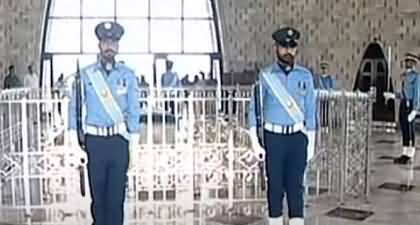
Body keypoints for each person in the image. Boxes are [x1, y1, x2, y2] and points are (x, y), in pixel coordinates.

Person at [68, 21, 141, 225]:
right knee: (98, 201)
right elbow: (74, 110)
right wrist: (75, 145)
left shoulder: (128, 75)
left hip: (119, 142)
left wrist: (134, 147)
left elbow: (134, 112)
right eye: (105, 41)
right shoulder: (85, 75)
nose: (109, 45)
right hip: (95, 143)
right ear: (99, 45)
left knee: (116, 200)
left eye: (113, 42)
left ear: (118, 46)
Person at [248, 27, 316, 225]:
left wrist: (311, 142)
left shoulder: (305, 76)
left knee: (296, 188)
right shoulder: (266, 75)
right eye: (283, 46)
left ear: (296, 49)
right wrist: (255, 141)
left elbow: (311, 112)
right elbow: (254, 109)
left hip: (297, 138)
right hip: (273, 138)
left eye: (291, 46)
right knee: (275, 188)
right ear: (276, 48)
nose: (288, 50)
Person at [384, 52, 420, 164]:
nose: (407, 63)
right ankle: (404, 154)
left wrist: (415, 110)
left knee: (410, 130)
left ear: (414, 63)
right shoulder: (404, 76)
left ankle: (410, 154)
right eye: (406, 61)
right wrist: (392, 96)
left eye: (409, 61)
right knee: (404, 129)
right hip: (404, 104)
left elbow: (417, 94)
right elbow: (403, 94)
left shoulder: (416, 77)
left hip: (410, 105)